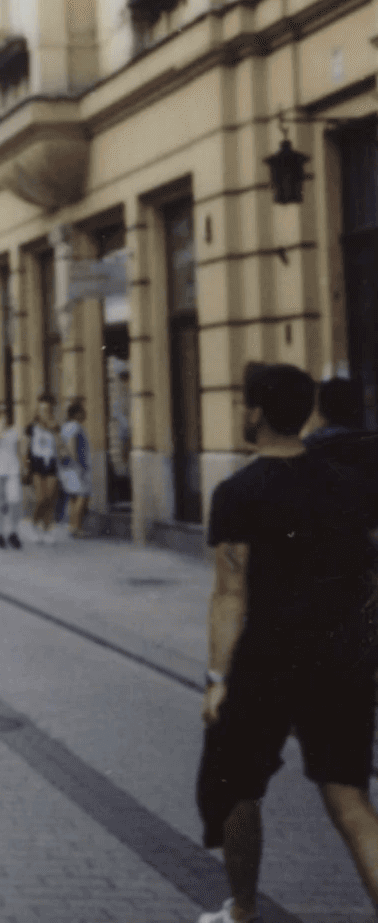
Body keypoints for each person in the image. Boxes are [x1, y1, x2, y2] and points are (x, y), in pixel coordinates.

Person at [195, 363, 378, 923]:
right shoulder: (346, 484)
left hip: (265, 661)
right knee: (350, 801)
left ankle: (242, 911)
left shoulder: (237, 491)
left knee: (234, 788)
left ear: (255, 413)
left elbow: (230, 594)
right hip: (342, 657)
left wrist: (217, 680)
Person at [0, 403, 26, 550]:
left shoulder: (15, 429)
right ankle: (0, 533)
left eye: (5, 412)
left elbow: (20, 450)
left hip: (12, 469)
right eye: (0, 412)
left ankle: (13, 532)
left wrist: (24, 467)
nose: (3, 415)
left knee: (15, 501)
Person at [23, 397, 63, 545]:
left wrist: (55, 430)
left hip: (51, 463)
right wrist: (25, 468)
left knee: (51, 498)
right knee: (41, 498)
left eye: (48, 410)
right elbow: (25, 449)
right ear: (38, 412)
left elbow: (60, 446)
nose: (46, 413)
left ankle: (47, 529)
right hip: (37, 464)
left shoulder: (55, 427)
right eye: (43, 410)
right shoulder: (31, 428)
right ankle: (34, 525)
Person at [59, 399, 93, 537]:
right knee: (82, 496)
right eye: (83, 412)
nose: (85, 414)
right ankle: (76, 527)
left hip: (65, 467)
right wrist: (77, 464)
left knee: (73, 497)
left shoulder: (65, 427)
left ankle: (72, 526)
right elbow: (72, 445)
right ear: (77, 414)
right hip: (76, 467)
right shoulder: (75, 427)